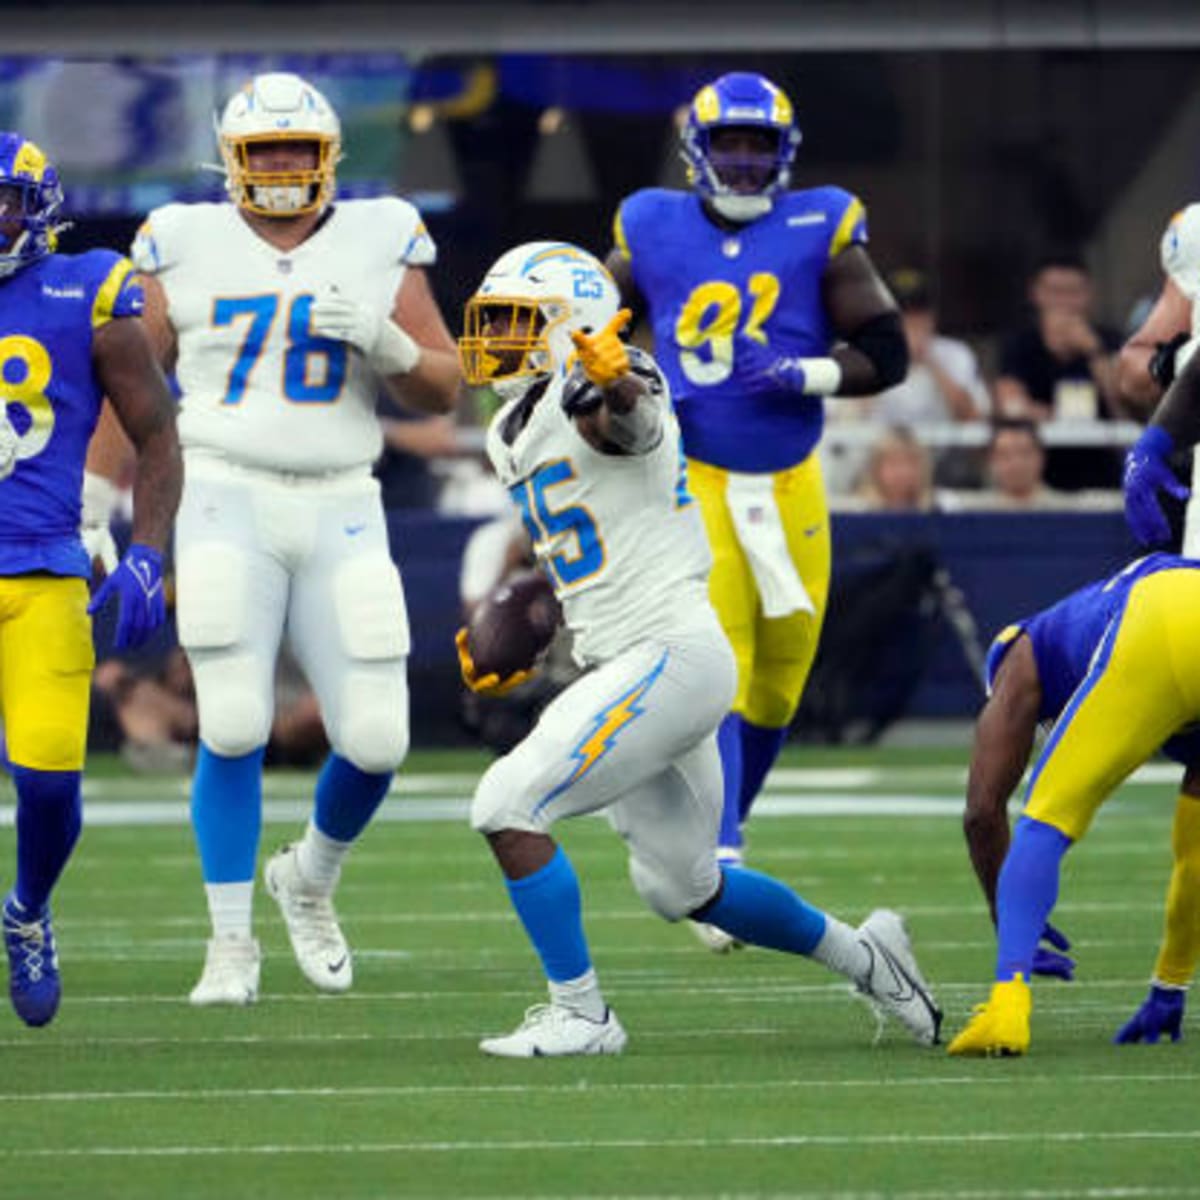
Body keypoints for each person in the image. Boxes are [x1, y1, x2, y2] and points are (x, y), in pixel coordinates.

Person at [454, 239, 939, 1057]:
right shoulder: (511, 425)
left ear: (566, 327)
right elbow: (595, 539)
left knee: (504, 804)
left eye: (514, 322)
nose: (496, 338)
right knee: (685, 887)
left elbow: (630, 425)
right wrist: (529, 618)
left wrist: (613, 381)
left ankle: (583, 1015)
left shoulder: (608, 380)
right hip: (637, 657)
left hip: (667, 654)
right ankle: (871, 957)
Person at [115, 72, 461, 1006]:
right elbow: (137, 389)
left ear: (328, 159)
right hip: (223, 489)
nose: (276, 170)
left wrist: (389, 347)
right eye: (260, 152)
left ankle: (308, 877)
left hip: (345, 496)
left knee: (380, 740)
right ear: (229, 160)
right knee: (231, 722)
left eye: (294, 153)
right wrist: (97, 503)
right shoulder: (181, 240)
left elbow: (445, 386)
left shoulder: (381, 232)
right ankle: (230, 943)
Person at [604, 72, 909, 946]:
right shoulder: (650, 224)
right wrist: (625, 379)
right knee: (722, 665)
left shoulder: (823, 222)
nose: (743, 161)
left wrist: (800, 373)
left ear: (784, 152)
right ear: (700, 148)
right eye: (729, 144)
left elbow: (886, 351)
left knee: (779, 680)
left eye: (758, 145)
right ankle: (721, 863)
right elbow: (599, 322)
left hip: (790, 481)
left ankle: (724, 829)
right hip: (693, 474)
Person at [0, 133, 182, 1026]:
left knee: (46, 784)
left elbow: (156, 433)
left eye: (2, 201)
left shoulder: (88, 292)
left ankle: (27, 909)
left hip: (38, 567)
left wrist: (147, 549)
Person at [948, 553, 1200, 1056]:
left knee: (1046, 819)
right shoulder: (1085, 618)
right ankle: (1170, 987)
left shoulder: (1022, 654)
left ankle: (1007, 1007)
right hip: (1177, 597)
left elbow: (982, 813)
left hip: (1158, 620)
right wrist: (1169, 987)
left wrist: (1012, 926)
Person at [994, 253, 1124, 491]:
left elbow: (1124, 405)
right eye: (1054, 291)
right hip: (1039, 481)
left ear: (1088, 294)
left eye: (1073, 292)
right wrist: (1057, 416)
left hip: (1102, 474)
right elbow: (1009, 405)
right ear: (1035, 293)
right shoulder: (1020, 343)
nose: (1063, 302)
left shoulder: (1110, 341)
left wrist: (1093, 350)